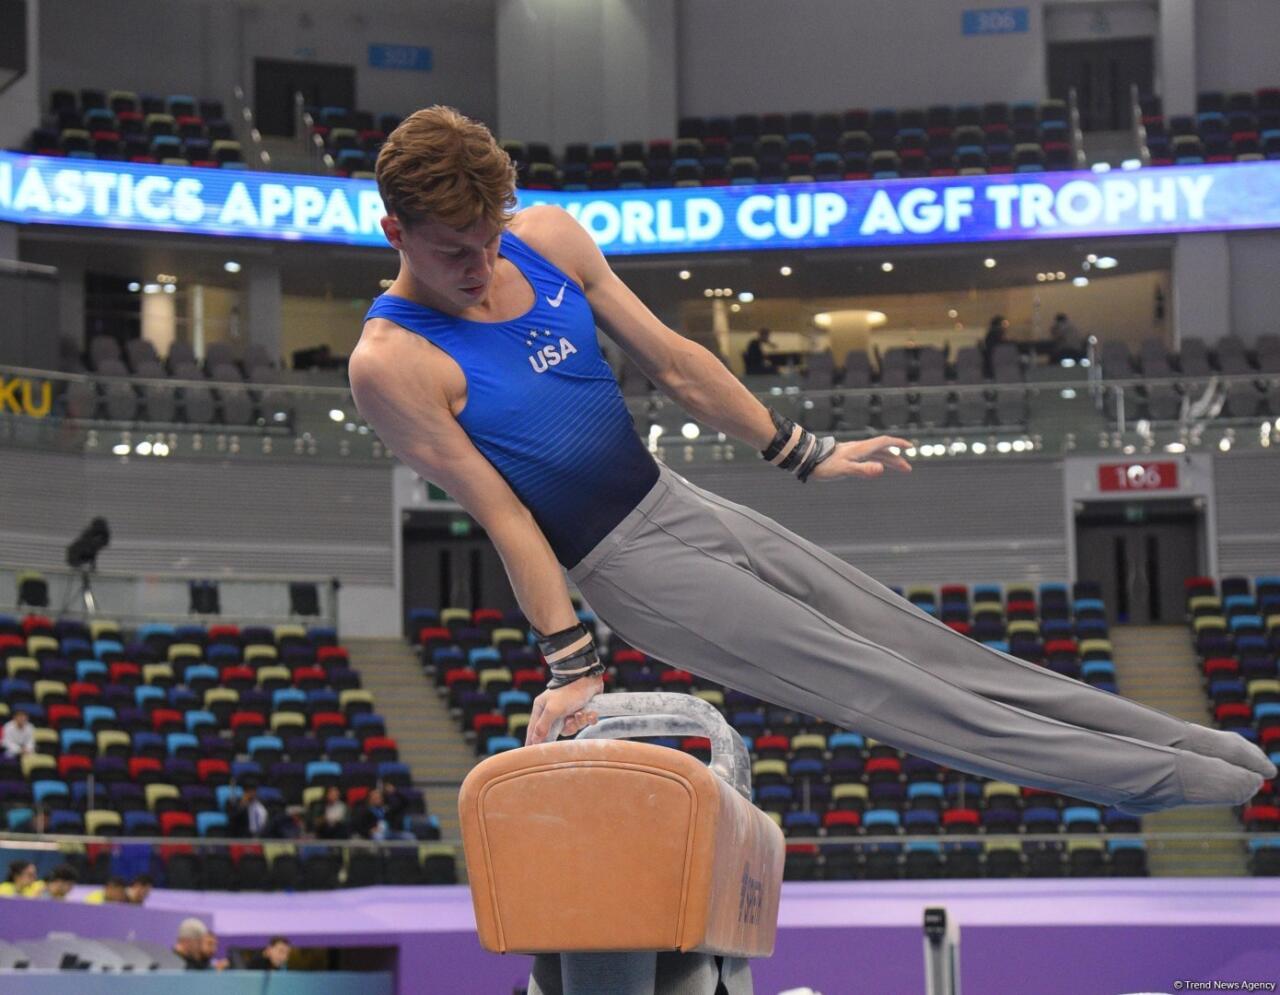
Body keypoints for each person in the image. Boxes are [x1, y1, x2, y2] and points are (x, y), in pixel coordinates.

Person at [350, 105, 1272, 817]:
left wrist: (802, 451)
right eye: (451, 252)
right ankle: (1145, 780)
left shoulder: (546, 239)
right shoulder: (393, 362)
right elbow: (506, 515)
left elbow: (674, 362)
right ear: (394, 232)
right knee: (876, 684)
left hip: (680, 500)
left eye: (487, 240)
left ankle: (1182, 738)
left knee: (918, 640)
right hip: (625, 567)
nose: (479, 264)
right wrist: (570, 661)